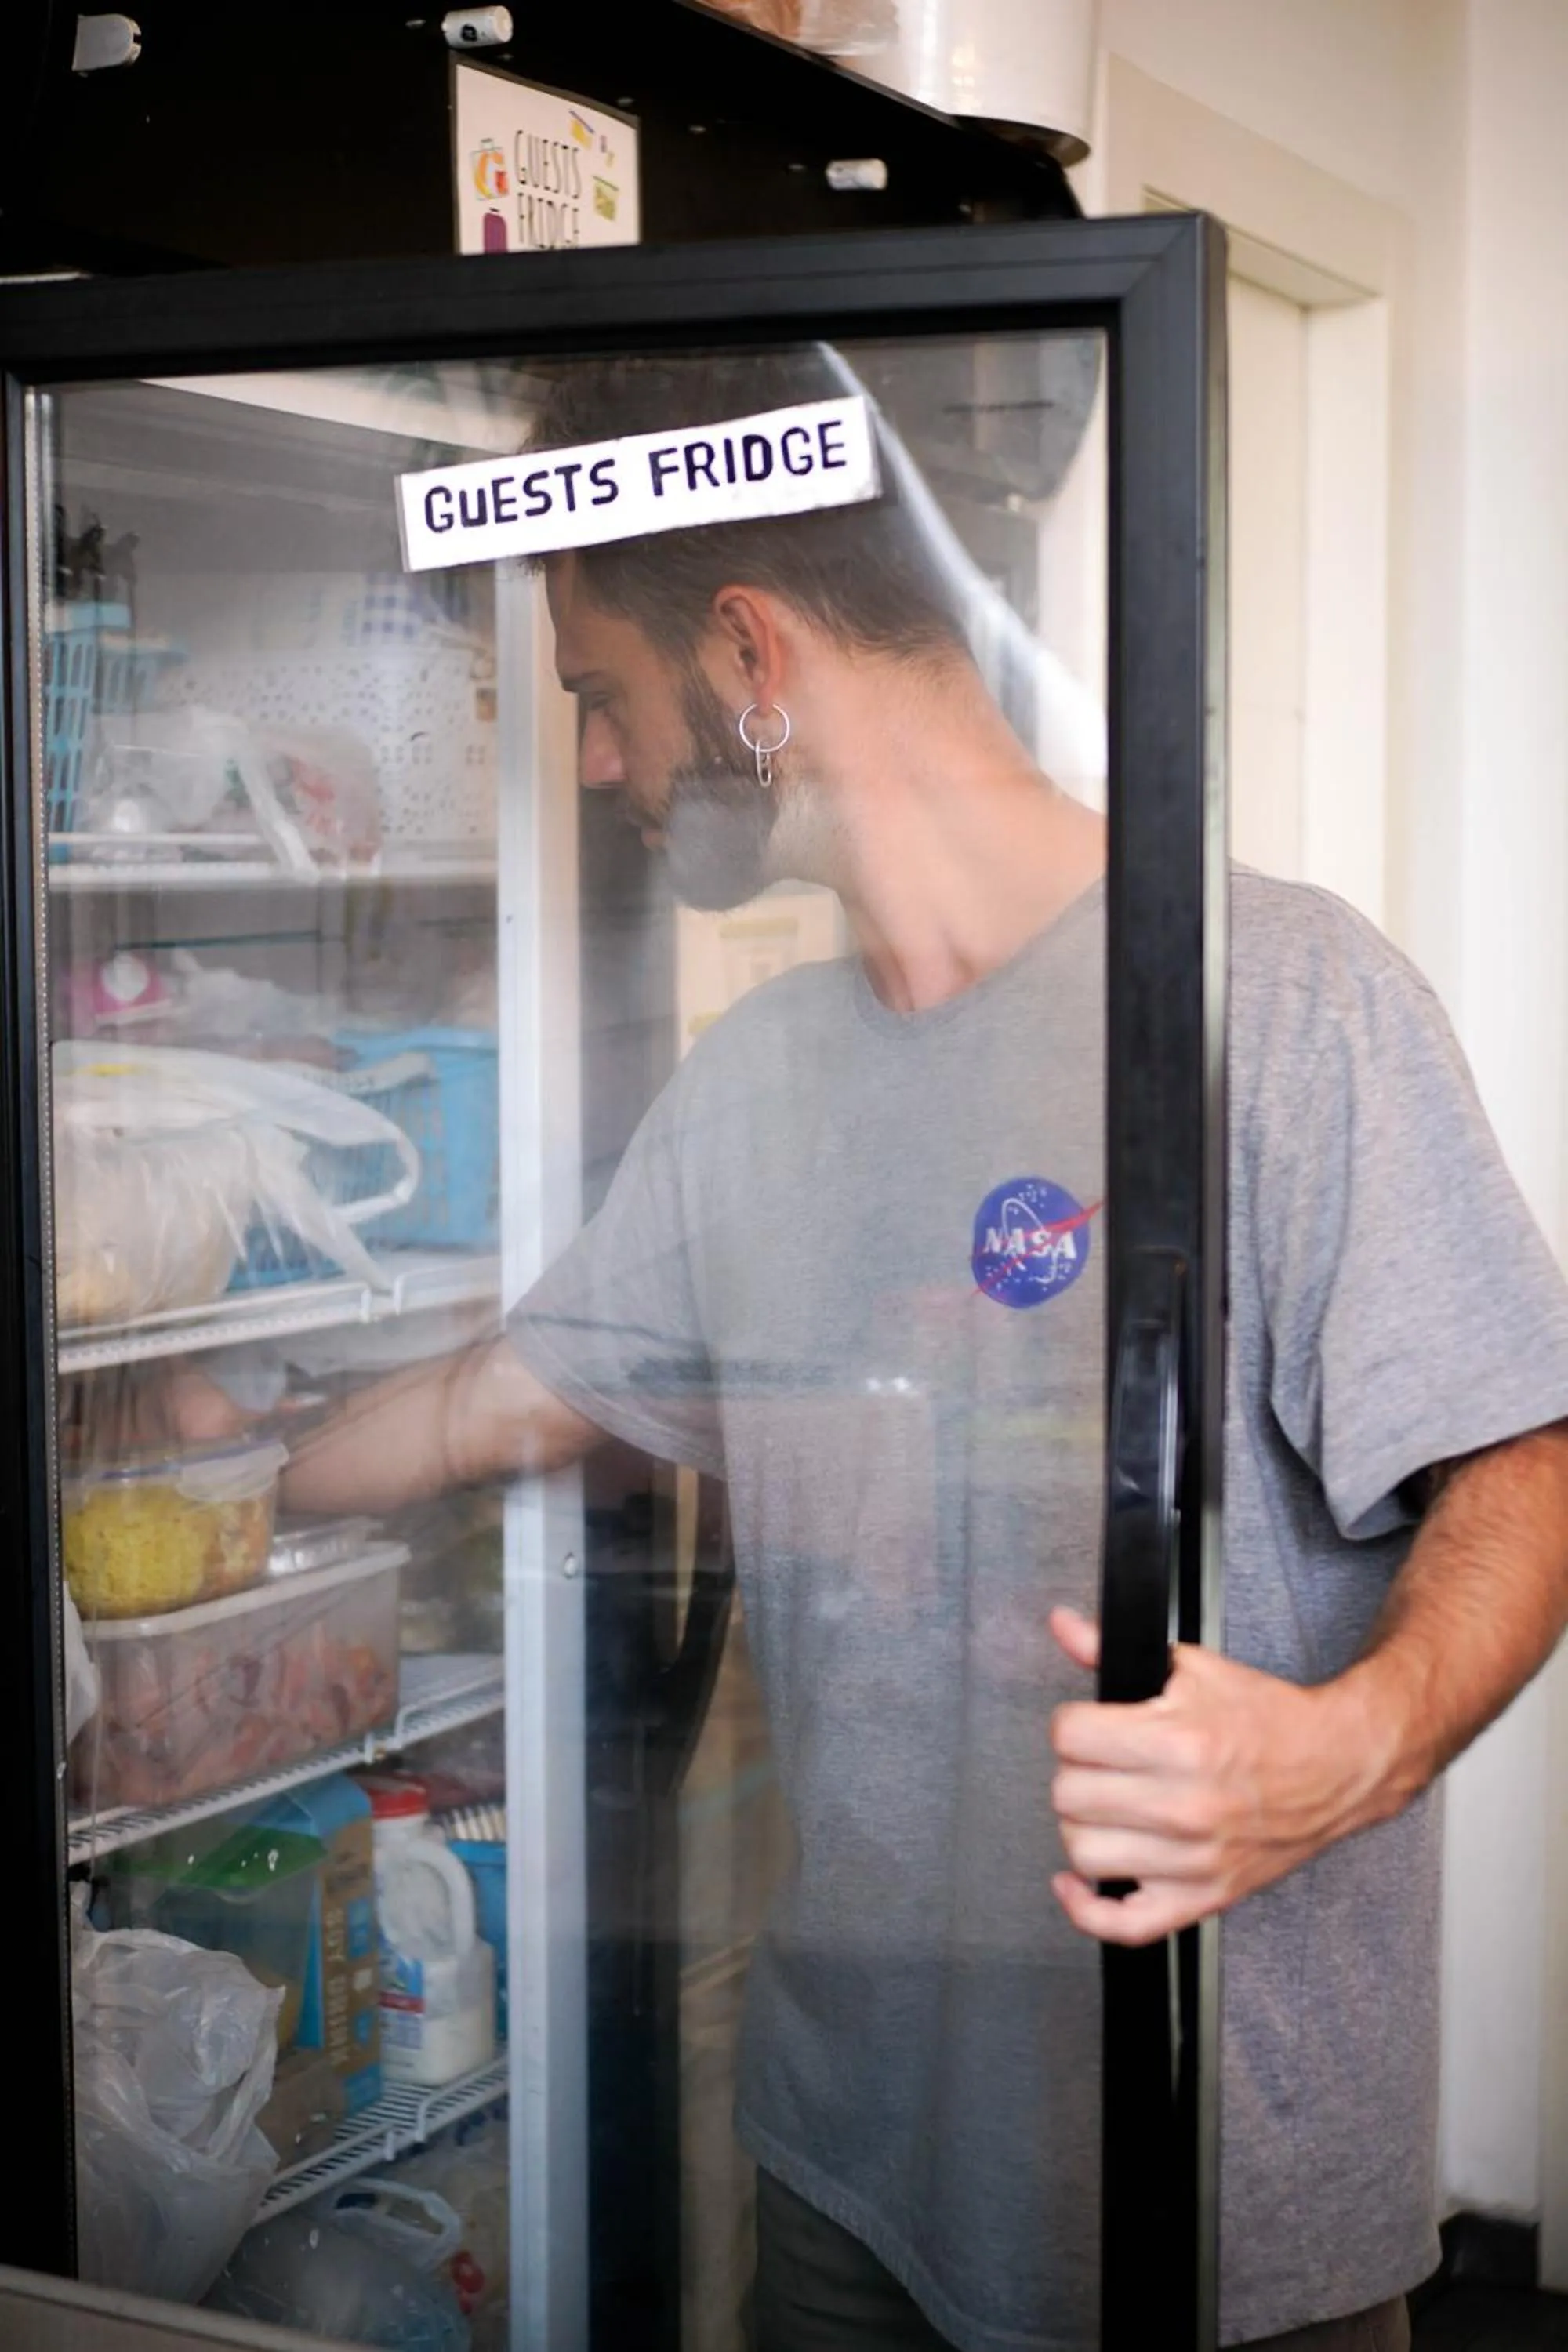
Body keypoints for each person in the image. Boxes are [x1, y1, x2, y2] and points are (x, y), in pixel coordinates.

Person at [158, 346, 1568, 2352]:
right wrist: (180, 1478)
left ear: (749, 657)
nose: (596, 769)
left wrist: (1352, 1750)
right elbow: (501, 1400)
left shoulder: (1280, 998)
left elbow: (1525, 1460)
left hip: (1213, 2204)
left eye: (599, 703)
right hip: (849, 2191)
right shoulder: (766, 1080)